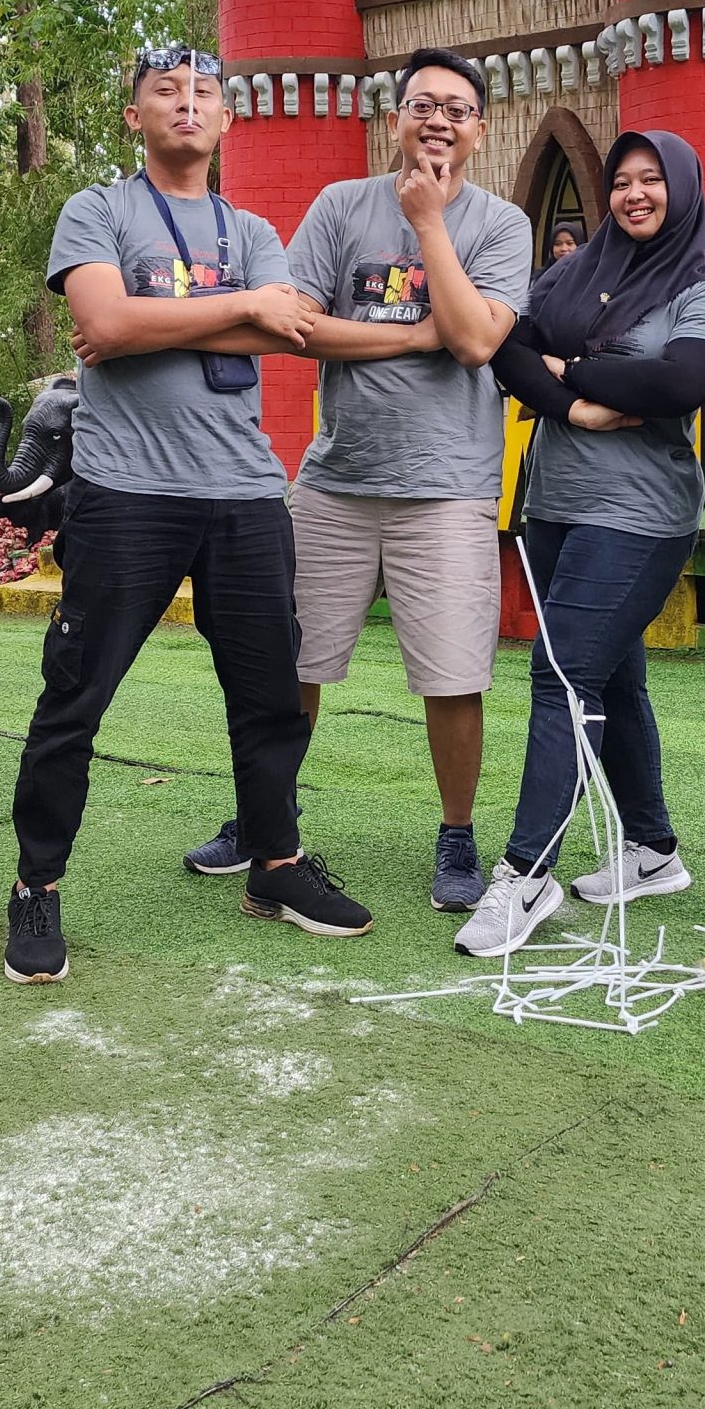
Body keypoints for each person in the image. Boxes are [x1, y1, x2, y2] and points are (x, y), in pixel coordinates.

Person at [4, 44, 373, 986]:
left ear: (226, 118)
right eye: (165, 91)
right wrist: (231, 308)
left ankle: (276, 864)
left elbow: (281, 328)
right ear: (135, 116)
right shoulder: (98, 210)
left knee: (270, 698)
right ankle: (37, 885)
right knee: (75, 696)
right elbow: (105, 325)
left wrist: (158, 319)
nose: (187, 103)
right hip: (126, 493)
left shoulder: (249, 229)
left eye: (204, 92)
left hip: (245, 493)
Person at [183, 48, 532, 913]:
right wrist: (414, 336)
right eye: (423, 105)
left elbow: (475, 341)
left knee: (452, 675)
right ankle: (267, 820)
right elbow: (295, 325)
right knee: (291, 662)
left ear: (480, 129)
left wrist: (429, 224)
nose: (438, 120)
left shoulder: (500, 225)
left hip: (447, 486)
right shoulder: (340, 205)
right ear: (396, 115)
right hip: (334, 482)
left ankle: (456, 834)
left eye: (456, 108)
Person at [456, 130, 705, 958]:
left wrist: (568, 366)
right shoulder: (568, 275)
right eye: (621, 181)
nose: (634, 194)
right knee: (612, 674)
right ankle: (651, 851)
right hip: (553, 502)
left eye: (652, 180)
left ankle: (525, 873)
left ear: (683, 190)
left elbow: (677, 382)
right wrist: (578, 403)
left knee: (562, 676)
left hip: (641, 514)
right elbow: (507, 352)